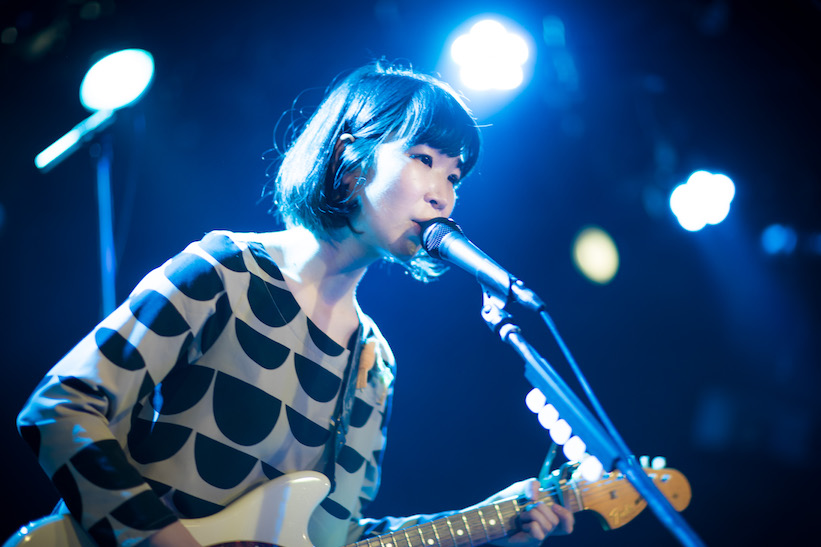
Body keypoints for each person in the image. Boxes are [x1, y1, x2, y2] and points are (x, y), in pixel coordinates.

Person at [16, 60, 574, 547]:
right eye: (423, 158)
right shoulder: (226, 270)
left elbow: (333, 537)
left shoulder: (373, 364)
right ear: (350, 157)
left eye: (455, 175)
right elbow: (61, 406)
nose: (443, 194)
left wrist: (489, 524)